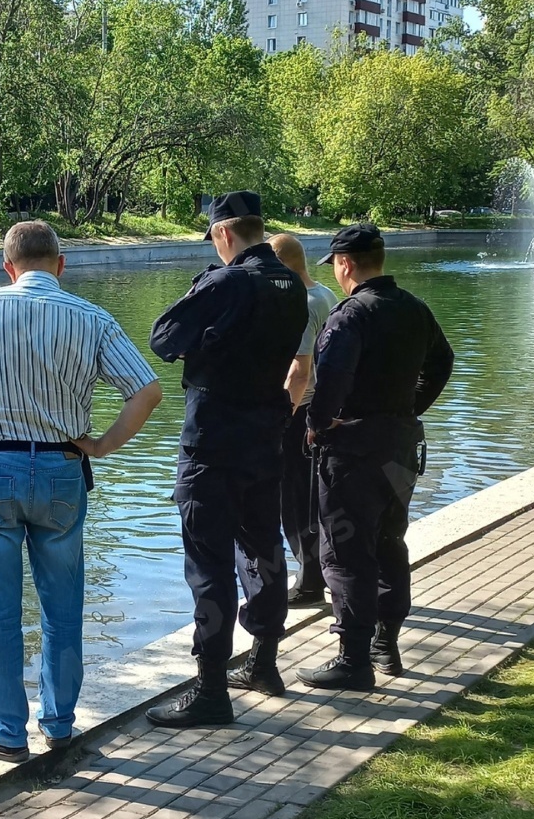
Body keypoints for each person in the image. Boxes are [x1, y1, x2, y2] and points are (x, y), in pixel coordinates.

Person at [0, 220, 162, 762]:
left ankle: (6, 733)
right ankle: (60, 724)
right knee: (63, 606)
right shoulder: (93, 318)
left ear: (8, 266)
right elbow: (147, 390)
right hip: (62, 468)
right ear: (61, 264)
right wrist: (103, 445)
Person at [146, 191, 307, 727]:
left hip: (212, 445)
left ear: (222, 234)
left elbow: (163, 338)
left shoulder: (224, 282)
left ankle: (212, 689)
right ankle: (264, 663)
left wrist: (207, 335)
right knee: (264, 549)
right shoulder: (291, 285)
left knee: (209, 566)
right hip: (266, 440)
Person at [299, 224, 453, 690]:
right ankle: (385, 644)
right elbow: (442, 362)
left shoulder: (349, 317)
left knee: (345, 552)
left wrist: (317, 425)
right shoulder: (414, 308)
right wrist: (407, 409)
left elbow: (330, 385)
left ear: (344, 264)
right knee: (390, 542)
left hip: (353, 451)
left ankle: (353, 658)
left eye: (337, 267)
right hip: (401, 445)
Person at [269, 233, 339, 607]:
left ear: (280, 264)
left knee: (294, 499)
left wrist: (284, 414)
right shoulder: (326, 294)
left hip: (299, 412)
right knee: (314, 497)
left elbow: (300, 368)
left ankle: (308, 578)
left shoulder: (302, 303)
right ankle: (316, 572)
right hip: (323, 410)